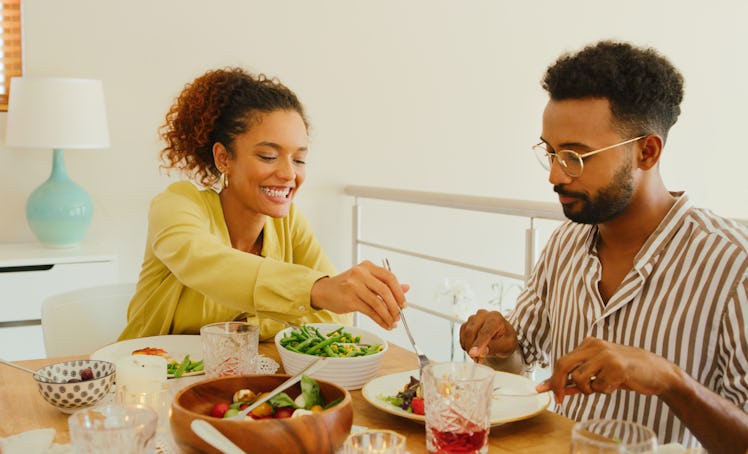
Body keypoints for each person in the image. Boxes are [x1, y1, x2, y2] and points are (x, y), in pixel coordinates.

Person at [459, 41, 748, 452]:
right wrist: (502, 344)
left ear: (646, 152)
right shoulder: (566, 241)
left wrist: (670, 380)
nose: (555, 176)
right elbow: (521, 353)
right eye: (551, 152)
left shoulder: (734, 265)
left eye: (576, 157)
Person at [120, 67, 407, 342]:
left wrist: (329, 295)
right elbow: (205, 263)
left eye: (299, 159)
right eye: (269, 156)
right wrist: (313, 292)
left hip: (241, 383)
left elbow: (334, 321)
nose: (288, 174)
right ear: (223, 158)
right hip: (148, 378)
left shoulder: (288, 222)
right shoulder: (177, 205)